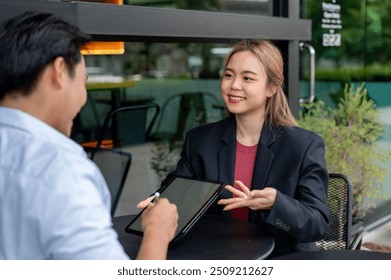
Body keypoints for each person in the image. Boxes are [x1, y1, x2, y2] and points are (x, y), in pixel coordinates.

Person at [0, 11, 178, 260]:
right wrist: (157, 231)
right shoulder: (59, 170)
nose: (84, 98)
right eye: (83, 82)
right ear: (60, 70)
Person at [158, 39, 330, 258]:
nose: (234, 85)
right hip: (214, 256)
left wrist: (276, 203)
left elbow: (317, 224)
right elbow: (174, 194)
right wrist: (158, 201)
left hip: (277, 259)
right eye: (228, 75)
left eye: (247, 78)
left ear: (271, 88)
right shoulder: (200, 140)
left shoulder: (303, 146)